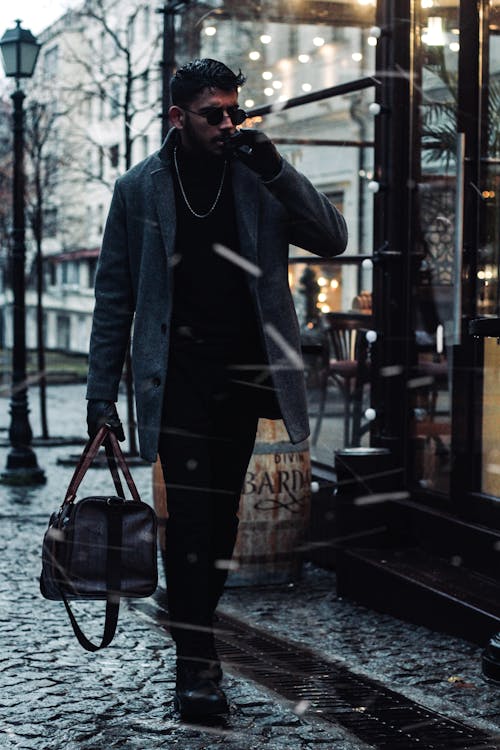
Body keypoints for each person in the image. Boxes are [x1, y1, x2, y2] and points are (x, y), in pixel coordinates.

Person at [86, 58, 347, 718]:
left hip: (245, 376)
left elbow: (333, 238)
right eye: (214, 114)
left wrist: (276, 166)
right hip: (175, 380)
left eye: (236, 110)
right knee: (193, 522)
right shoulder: (139, 188)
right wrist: (99, 393)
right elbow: (114, 295)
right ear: (178, 117)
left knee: (224, 521)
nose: (228, 123)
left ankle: (197, 645)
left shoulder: (256, 179)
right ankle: (194, 662)